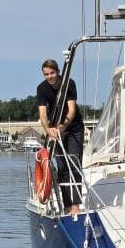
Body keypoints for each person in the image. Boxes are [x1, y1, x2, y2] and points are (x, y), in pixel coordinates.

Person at [36, 59, 85, 215]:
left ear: (58, 72)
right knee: (62, 167)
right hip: (55, 130)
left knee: (74, 163)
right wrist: (48, 129)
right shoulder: (42, 89)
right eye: (46, 74)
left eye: (52, 73)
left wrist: (63, 125)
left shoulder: (68, 83)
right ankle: (67, 205)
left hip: (74, 127)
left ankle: (76, 205)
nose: (49, 77)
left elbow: (71, 110)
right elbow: (43, 114)